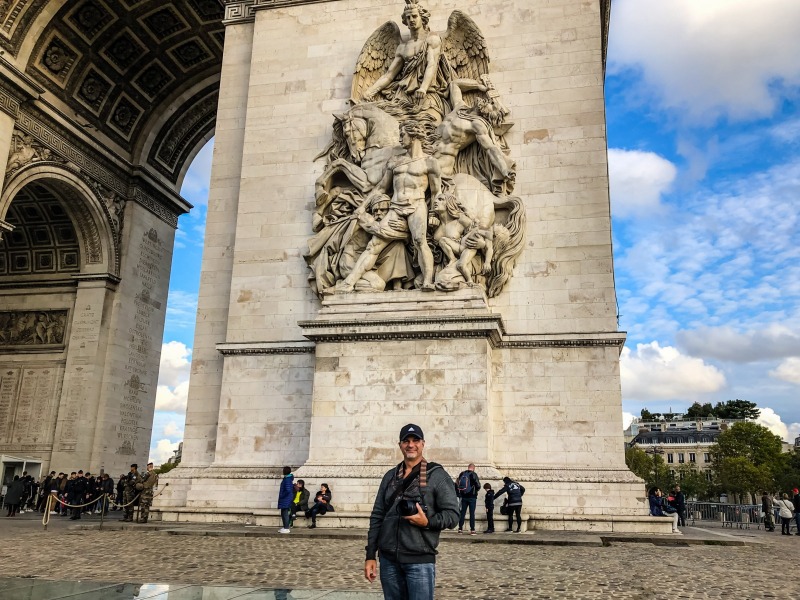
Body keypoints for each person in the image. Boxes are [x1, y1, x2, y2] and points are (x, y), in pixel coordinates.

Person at [337, 120, 442, 292]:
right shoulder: (395, 161)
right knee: (374, 245)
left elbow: (437, 192)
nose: (400, 138)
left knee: (420, 241)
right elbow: (380, 187)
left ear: (414, 135)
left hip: (417, 206)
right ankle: (348, 282)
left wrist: (435, 214)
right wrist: (363, 206)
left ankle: (428, 282)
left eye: (403, 134)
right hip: (396, 208)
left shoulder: (430, 163)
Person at [364, 423, 459, 600]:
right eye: (406, 441)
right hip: (388, 560)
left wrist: (428, 522)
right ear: (399, 445)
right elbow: (377, 516)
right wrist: (370, 555)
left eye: (416, 440)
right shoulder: (390, 476)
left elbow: (453, 515)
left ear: (423, 443)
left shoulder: (437, 476)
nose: (411, 444)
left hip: (419, 561)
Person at [362, 0, 452, 123]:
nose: (411, 20)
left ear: (422, 18)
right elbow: (389, 75)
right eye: (408, 17)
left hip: (426, 94)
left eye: (414, 16)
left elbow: (432, 64)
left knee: (430, 125)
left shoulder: (432, 39)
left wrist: (423, 88)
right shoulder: (402, 48)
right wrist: (370, 91)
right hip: (403, 96)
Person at [455, 463, 480, 534]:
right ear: (473, 468)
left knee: (462, 512)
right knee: (472, 513)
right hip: (472, 497)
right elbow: (478, 485)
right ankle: (472, 529)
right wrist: (476, 490)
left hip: (463, 496)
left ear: (468, 467)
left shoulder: (462, 474)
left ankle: (460, 529)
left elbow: (457, 483)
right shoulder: (473, 474)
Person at [277, 466, 294, 534]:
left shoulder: (287, 479)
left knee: (285, 513)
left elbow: (288, 490)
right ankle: (285, 527)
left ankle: (286, 528)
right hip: (286, 498)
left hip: (286, 498)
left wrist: (282, 495)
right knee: (283, 513)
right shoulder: (287, 479)